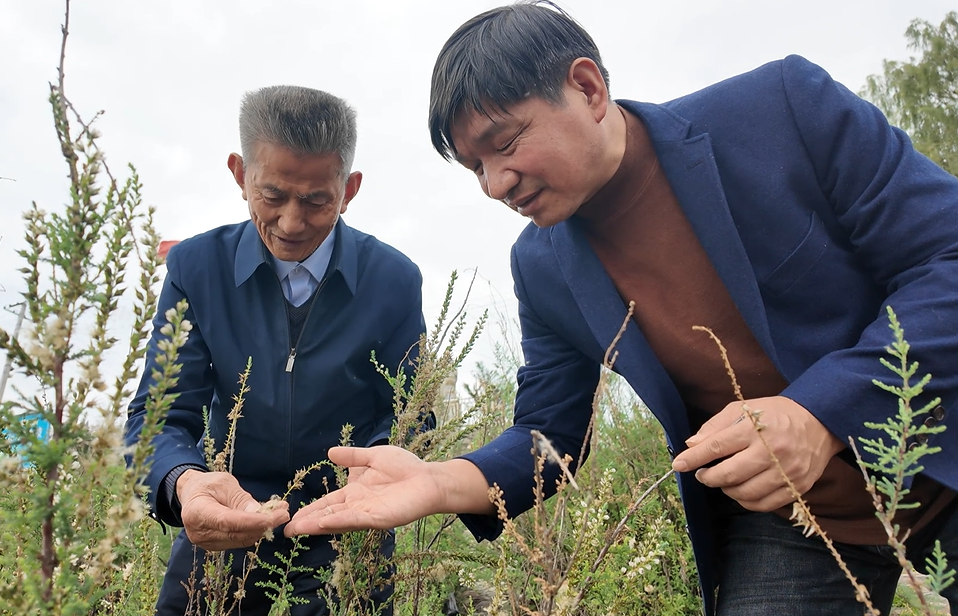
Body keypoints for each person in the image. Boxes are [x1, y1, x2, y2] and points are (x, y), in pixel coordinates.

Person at [284, 2, 958, 615]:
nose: (494, 184)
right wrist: (441, 481)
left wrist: (819, 412)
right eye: (474, 167)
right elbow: (549, 434)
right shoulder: (542, 264)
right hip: (791, 519)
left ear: (587, 88)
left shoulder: (780, 110)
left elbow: (946, 258)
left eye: (506, 143)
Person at [125, 85, 426, 615]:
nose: (291, 223)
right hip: (224, 525)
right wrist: (184, 482)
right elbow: (159, 415)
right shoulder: (197, 269)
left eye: (316, 201)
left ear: (350, 188)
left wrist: (377, 471)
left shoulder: (394, 280)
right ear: (240, 173)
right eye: (272, 195)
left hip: (349, 529)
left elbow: (408, 414)